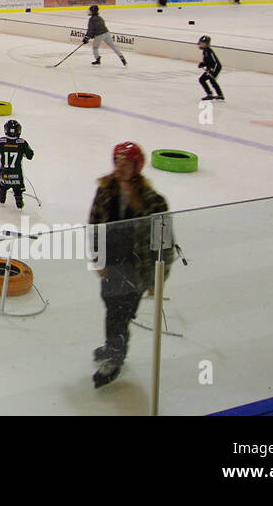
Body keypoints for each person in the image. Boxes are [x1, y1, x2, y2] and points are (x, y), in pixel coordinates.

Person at [88, 142, 169, 388]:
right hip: (112, 265)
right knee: (111, 306)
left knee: (119, 314)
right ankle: (114, 342)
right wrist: (98, 260)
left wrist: (157, 277)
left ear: (138, 166)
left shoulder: (153, 201)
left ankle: (115, 356)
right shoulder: (105, 191)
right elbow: (95, 226)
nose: (120, 167)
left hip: (136, 268)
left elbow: (163, 243)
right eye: (117, 162)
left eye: (127, 163)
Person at [0, 119, 34, 208]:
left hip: (5, 173)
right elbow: (30, 156)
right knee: (17, 190)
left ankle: (2, 198)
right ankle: (19, 203)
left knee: (3, 186)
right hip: (17, 174)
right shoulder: (22, 143)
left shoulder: (1, 141)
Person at [197, 35, 223, 101]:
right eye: (200, 43)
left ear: (206, 44)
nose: (200, 44)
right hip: (211, 68)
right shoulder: (205, 51)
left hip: (215, 68)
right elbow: (207, 61)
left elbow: (215, 62)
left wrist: (213, 71)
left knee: (202, 79)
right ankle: (219, 95)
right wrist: (202, 64)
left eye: (202, 43)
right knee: (211, 80)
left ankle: (210, 94)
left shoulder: (209, 51)